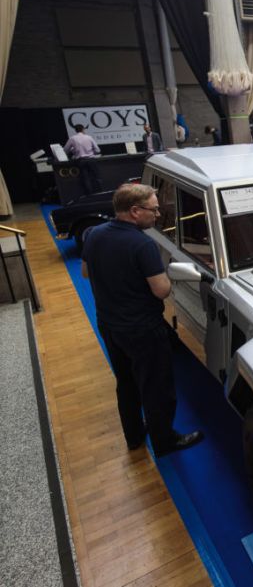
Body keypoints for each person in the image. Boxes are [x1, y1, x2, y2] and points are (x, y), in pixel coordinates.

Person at [81, 183, 203, 456]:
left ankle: (134, 436)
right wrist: (170, 277)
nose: (158, 215)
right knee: (156, 386)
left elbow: (86, 272)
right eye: (154, 209)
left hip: (110, 324)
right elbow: (161, 290)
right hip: (142, 330)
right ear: (135, 211)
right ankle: (165, 441)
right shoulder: (142, 244)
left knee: (126, 382)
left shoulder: (95, 234)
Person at [63, 123, 102, 195]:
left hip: (81, 161)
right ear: (83, 129)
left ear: (75, 130)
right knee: (97, 177)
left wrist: (73, 151)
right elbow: (98, 150)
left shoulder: (72, 138)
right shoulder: (89, 137)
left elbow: (65, 150)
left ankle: (89, 196)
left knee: (85, 179)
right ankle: (100, 193)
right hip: (91, 160)